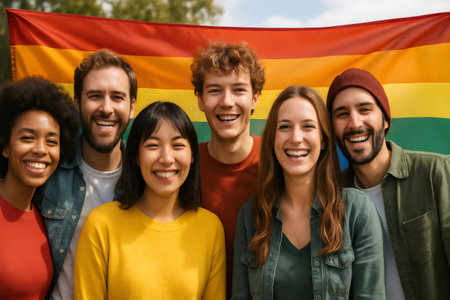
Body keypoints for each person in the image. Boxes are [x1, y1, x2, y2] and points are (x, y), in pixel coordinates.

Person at [233, 85, 385, 299]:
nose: (296, 138)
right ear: (272, 139)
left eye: (308, 126)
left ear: (323, 139)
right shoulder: (251, 215)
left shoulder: (356, 210)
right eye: (285, 127)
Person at [73, 101, 226, 299]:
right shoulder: (101, 224)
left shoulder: (210, 228)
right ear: (136, 156)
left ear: (193, 156)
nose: (166, 158)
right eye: (153, 146)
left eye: (178, 145)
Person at [327, 68, 450, 300]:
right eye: (342, 114)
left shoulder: (438, 174)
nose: (355, 123)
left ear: (385, 120)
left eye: (365, 110)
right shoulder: (331, 198)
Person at [33, 49, 137, 299]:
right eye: (95, 96)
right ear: (78, 102)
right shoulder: (46, 168)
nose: (106, 108)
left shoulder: (146, 178)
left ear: (132, 107)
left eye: (118, 97)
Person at [191, 42, 265, 295]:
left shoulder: (280, 162)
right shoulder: (181, 166)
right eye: (214, 90)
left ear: (255, 98)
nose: (226, 101)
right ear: (200, 100)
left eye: (238, 90)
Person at [0, 77, 78, 299]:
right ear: (5, 146)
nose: (41, 149)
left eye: (52, 141)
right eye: (27, 138)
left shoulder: (45, 219)